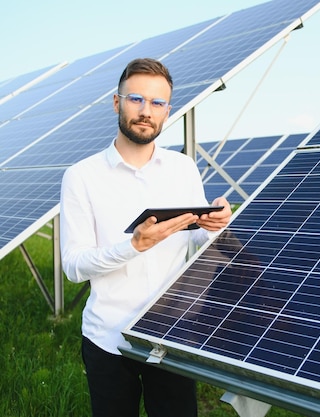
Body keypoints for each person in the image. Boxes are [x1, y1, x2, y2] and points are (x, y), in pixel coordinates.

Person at [60, 57, 232, 417]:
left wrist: (215, 225)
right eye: (136, 99)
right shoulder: (81, 176)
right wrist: (134, 246)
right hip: (108, 338)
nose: (145, 111)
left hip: (173, 333)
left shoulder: (182, 168)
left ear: (167, 110)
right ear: (116, 102)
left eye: (157, 103)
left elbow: (196, 238)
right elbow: (73, 267)